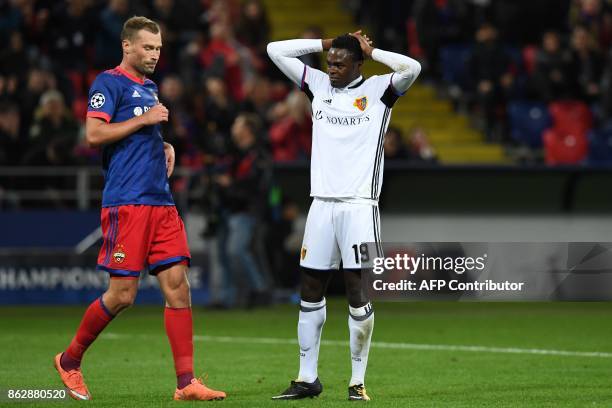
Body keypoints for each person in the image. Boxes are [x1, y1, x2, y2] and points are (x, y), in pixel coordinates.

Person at [53, 16, 226, 402]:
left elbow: (141, 131)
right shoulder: (108, 83)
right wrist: (146, 120)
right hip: (127, 203)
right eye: (148, 47)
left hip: (161, 202)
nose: (154, 55)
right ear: (127, 46)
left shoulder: (149, 88)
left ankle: (186, 383)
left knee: (178, 288)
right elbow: (94, 134)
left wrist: (162, 144)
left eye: (159, 48)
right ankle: (69, 360)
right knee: (122, 295)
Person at [267, 30, 420, 401]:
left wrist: (375, 50)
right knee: (310, 289)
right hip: (321, 205)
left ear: (358, 64)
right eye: (329, 63)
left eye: (339, 63)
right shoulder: (317, 84)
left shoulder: (381, 91)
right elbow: (275, 50)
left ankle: (357, 381)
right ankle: (307, 378)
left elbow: (412, 67)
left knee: (357, 290)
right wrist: (322, 45)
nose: (331, 68)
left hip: (359, 208)